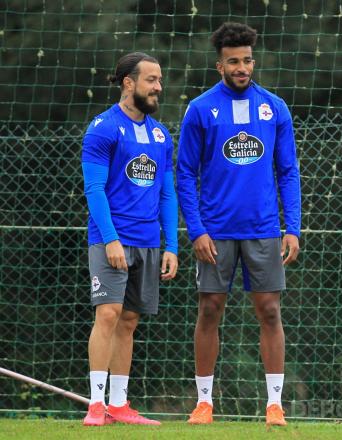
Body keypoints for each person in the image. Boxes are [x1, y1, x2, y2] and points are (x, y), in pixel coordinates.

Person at [176, 22, 301, 426]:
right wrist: (196, 230)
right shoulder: (200, 109)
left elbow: (288, 172)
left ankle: (275, 405)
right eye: (234, 61)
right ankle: (204, 403)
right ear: (219, 66)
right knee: (210, 309)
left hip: (264, 230)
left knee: (269, 311)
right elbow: (184, 174)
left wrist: (293, 227)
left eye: (247, 60)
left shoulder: (275, 108)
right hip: (215, 231)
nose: (242, 67)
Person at [81, 52, 179, 426]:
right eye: (151, 80)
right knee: (108, 313)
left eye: (159, 80)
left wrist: (170, 244)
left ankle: (120, 406)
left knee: (130, 320)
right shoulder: (103, 127)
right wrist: (110, 239)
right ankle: (95, 405)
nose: (158, 87)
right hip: (111, 239)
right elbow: (94, 189)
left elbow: (167, 194)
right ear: (128, 83)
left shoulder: (160, 134)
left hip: (149, 242)